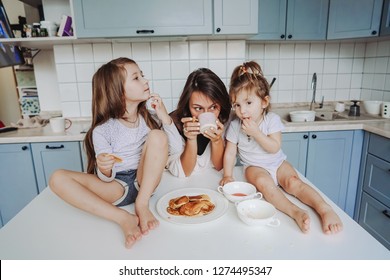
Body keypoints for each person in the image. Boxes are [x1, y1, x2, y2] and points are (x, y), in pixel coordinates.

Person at [49, 57, 169, 249]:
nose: (145, 81)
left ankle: (142, 204)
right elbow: (105, 179)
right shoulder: (102, 131)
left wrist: (164, 116)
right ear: (118, 91)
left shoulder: (150, 118)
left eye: (142, 76)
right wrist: (104, 168)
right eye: (136, 78)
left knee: (159, 136)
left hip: (144, 181)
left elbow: (172, 148)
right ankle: (123, 218)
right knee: (57, 178)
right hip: (115, 186)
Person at [220, 61, 343, 235]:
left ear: (264, 102)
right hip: (254, 167)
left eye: (248, 103)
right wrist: (227, 175)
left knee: (293, 182)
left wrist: (257, 133)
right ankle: (296, 212)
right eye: (237, 105)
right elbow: (230, 152)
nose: (242, 110)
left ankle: (324, 209)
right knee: (265, 185)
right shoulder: (235, 125)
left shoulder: (272, 120)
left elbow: (274, 147)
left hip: (277, 162)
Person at [157, 68, 231, 178]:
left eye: (213, 107)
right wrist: (191, 139)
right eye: (198, 108)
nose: (206, 113)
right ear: (188, 106)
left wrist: (216, 141)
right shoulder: (175, 124)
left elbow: (219, 167)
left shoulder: (227, 119)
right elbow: (185, 172)